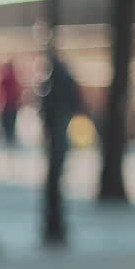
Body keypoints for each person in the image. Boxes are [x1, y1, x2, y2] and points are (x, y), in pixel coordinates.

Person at [39, 50, 84, 246]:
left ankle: (53, 225)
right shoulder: (63, 81)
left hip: (57, 135)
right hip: (60, 133)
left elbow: (46, 109)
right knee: (56, 178)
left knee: (54, 178)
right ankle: (55, 225)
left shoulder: (51, 83)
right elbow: (76, 103)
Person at [0, 59, 22, 149]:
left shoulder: (6, 77)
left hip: (7, 106)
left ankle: (8, 144)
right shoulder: (14, 78)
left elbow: (0, 92)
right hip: (11, 106)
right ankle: (10, 143)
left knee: (7, 127)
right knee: (10, 127)